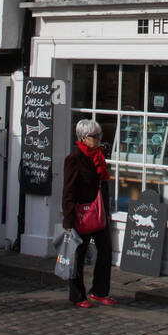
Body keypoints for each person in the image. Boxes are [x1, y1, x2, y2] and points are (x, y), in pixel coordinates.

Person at [61, 119, 115, 308]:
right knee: (78, 254)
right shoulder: (74, 158)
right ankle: (77, 295)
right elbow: (68, 190)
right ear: (84, 138)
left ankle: (100, 290)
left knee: (106, 250)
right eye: (95, 136)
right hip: (82, 213)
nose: (99, 139)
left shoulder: (99, 155)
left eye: (100, 135)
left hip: (99, 211)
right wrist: (68, 220)